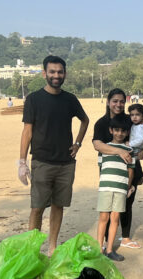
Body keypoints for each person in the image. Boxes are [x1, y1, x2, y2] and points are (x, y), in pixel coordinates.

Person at [18, 55, 90, 255]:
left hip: (66, 163)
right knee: (37, 207)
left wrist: (77, 144)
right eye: (52, 72)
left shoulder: (70, 99)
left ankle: (52, 246)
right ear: (44, 74)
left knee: (59, 205)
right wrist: (22, 162)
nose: (56, 75)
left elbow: (85, 120)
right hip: (42, 162)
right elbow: (27, 131)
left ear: (64, 74)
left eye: (59, 72)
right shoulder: (33, 99)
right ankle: (32, 249)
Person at [92, 89, 143, 250]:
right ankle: (107, 241)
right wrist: (120, 151)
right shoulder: (101, 123)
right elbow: (97, 145)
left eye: (122, 101)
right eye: (115, 101)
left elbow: (140, 141)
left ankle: (125, 237)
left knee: (127, 203)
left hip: (130, 169)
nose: (118, 104)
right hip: (110, 171)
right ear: (108, 102)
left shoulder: (131, 121)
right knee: (107, 209)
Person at [96, 116, 135, 262]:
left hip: (120, 189)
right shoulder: (104, 149)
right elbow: (101, 168)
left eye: (123, 131)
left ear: (127, 132)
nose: (119, 133)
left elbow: (131, 170)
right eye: (116, 130)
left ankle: (110, 249)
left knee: (115, 219)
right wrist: (101, 184)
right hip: (105, 187)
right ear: (111, 130)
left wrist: (127, 187)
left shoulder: (130, 150)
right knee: (103, 218)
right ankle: (99, 249)